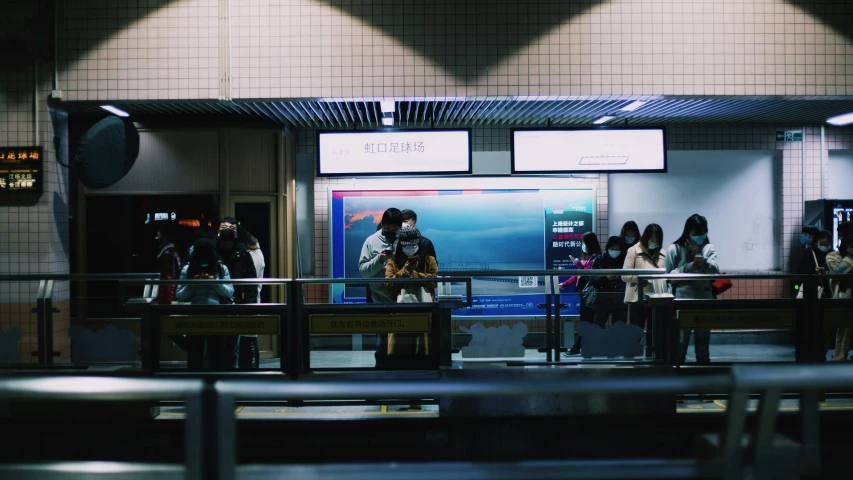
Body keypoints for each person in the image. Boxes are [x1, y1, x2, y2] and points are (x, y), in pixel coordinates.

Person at [665, 214, 720, 365]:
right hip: (682, 301)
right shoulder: (674, 249)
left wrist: (700, 258)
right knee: (681, 340)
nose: (700, 236)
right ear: (688, 232)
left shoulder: (708, 249)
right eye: (696, 233)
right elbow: (668, 275)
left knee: (703, 340)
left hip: (704, 300)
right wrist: (690, 266)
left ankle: (703, 372)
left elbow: (714, 271)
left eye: (703, 232)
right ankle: (677, 370)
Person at [176, 238, 235, 370]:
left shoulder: (220, 268)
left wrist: (213, 282)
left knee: (216, 352)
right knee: (194, 353)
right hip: (195, 315)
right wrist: (193, 284)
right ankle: (194, 379)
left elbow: (229, 292)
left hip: (216, 314)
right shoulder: (188, 269)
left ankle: (216, 380)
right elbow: (180, 295)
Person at [384, 224, 438, 368]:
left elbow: (434, 281)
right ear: (400, 245)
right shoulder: (393, 263)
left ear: (419, 243)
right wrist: (403, 272)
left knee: (423, 351)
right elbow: (388, 285)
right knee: (399, 352)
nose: (410, 247)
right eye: (406, 244)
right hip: (401, 313)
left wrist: (414, 274)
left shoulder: (429, 260)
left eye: (413, 244)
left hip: (424, 311)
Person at [359, 208, 404, 367]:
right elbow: (364, 271)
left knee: (404, 342)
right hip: (381, 299)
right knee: (382, 342)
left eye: (395, 229)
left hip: (405, 301)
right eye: (387, 228)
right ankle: (382, 372)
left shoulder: (406, 240)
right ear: (382, 224)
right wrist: (380, 259)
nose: (391, 232)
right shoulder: (371, 241)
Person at [216, 217, 258, 369]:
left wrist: (249, 305)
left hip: (236, 304)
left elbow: (251, 283)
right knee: (215, 345)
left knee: (232, 344)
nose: (225, 245)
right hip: (215, 303)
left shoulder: (243, 254)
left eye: (228, 241)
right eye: (223, 241)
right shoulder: (213, 253)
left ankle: (230, 374)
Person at [622, 224, 666, 358]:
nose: (653, 243)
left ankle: (653, 354)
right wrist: (642, 278)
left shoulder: (664, 254)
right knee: (636, 328)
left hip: (657, 297)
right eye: (651, 239)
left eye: (656, 240)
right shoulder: (633, 251)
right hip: (638, 297)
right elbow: (625, 275)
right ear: (645, 238)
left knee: (654, 328)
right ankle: (630, 354)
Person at [559, 232, 602, 356]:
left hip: (590, 296)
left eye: (584, 243)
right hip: (584, 295)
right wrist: (565, 284)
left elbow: (589, 275)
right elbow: (578, 274)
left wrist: (578, 264)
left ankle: (578, 347)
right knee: (585, 321)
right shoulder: (588, 258)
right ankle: (581, 347)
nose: (582, 245)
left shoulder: (596, 258)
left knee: (586, 322)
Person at [236, 226, 266, 370]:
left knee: (248, 337)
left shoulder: (250, 254)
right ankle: (251, 370)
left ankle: (252, 371)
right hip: (252, 299)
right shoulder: (256, 251)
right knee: (249, 337)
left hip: (249, 300)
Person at [155, 224, 185, 351]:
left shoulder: (168, 253)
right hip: (168, 296)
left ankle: (193, 350)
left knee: (167, 328)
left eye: (159, 234)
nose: (157, 236)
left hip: (166, 298)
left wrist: (167, 301)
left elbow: (169, 278)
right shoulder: (172, 252)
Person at [589, 236, 628, 328]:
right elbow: (592, 279)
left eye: (617, 249)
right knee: (597, 328)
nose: (614, 251)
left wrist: (618, 277)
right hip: (602, 300)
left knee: (619, 330)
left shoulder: (625, 261)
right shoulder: (600, 260)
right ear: (607, 248)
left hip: (620, 300)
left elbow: (628, 278)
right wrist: (606, 277)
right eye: (612, 248)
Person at [828, 222, 853, 361]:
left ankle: (840, 356)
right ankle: (839, 356)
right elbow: (838, 273)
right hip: (845, 295)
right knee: (844, 328)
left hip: (845, 294)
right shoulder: (834, 256)